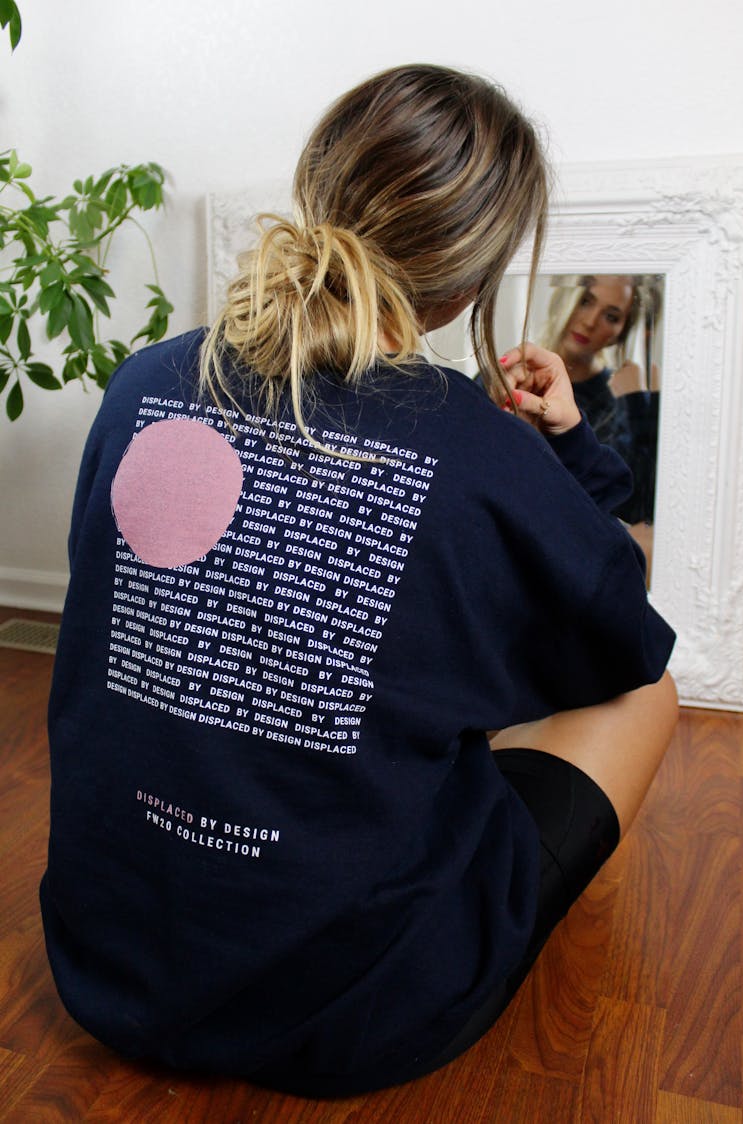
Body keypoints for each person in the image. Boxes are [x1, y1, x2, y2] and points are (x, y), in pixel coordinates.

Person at [41, 64, 677, 1098]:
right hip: (352, 1013)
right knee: (648, 691)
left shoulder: (144, 383)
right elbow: (627, 632)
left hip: (111, 964)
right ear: (470, 278)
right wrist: (570, 451)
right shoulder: (480, 450)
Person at [539, 273, 662, 524]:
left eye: (611, 316)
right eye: (585, 300)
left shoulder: (620, 402)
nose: (590, 322)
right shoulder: (511, 372)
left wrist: (637, 403)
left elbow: (635, 508)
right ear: (565, 297)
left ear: (621, 332)